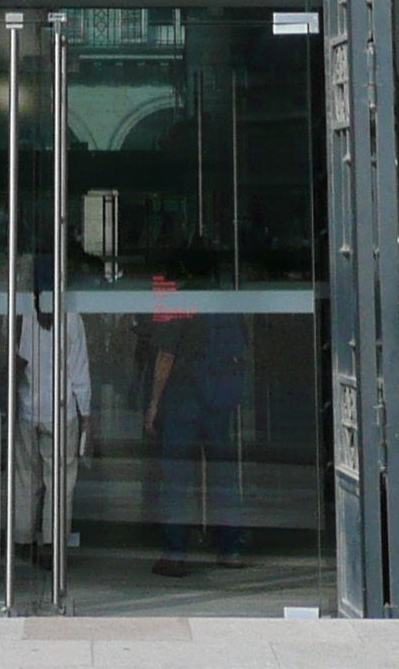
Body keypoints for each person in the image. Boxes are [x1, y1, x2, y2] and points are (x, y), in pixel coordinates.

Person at [142, 243, 250, 577]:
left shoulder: (179, 300)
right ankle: (230, 549)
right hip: (219, 398)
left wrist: (154, 403)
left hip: (183, 397)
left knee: (176, 478)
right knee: (222, 477)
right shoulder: (226, 300)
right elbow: (242, 351)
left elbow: (166, 355)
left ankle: (176, 553)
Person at [11, 252, 89, 570]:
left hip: (28, 409)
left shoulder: (22, 314)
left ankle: (22, 539)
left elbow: (14, 358)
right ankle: (52, 544)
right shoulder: (71, 317)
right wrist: (87, 415)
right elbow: (79, 372)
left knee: (25, 477)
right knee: (59, 480)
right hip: (61, 411)